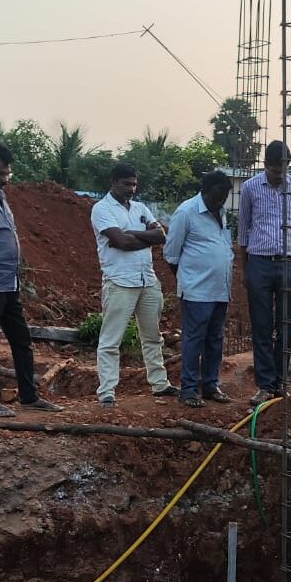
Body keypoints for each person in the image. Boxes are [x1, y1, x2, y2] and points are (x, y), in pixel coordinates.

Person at [0, 142, 63, 417]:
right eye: (0, 174)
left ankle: (29, 396)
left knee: (22, 340)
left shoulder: (1, 197)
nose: (5, 179)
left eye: (8, 174)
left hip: (8, 283)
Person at [90, 163, 177, 407]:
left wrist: (132, 235)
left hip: (146, 279)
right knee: (111, 339)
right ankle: (107, 391)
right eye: (126, 184)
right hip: (119, 281)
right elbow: (120, 241)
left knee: (152, 336)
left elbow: (160, 236)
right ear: (114, 182)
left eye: (134, 184)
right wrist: (141, 237)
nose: (131, 189)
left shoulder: (140, 208)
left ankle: (160, 385)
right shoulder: (101, 209)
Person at [238, 140, 291, 406]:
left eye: (284, 169)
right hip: (260, 261)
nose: (280, 174)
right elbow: (244, 229)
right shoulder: (250, 188)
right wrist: (246, 270)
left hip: (289, 261)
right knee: (262, 326)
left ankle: (280, 381)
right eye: (275, 170)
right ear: (265, 165)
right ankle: (265, 385)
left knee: (288, 324)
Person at [163, 170, 234, 408]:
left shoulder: (221, 213)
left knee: (215, 338)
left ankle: (210, 385)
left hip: (220, 290)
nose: (219, 201)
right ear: (204, 191)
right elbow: (171, 254)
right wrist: (188, 280)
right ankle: (189, 389)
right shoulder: (186, 212)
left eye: (223, 197)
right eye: (216, 197)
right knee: (194, 340)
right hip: (196, 291)